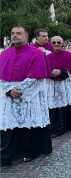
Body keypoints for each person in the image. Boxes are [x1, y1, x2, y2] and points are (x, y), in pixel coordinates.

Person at [0, 26, 52, 167]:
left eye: (18, 33)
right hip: (9, 96)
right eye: (12, 33)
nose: (15, 35)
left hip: (30, 95)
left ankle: (27, 152)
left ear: (27, 37)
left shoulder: (37, 53)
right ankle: (7, 156)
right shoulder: (3, 54)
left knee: (28, 123)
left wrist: (20, 91)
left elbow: (38, 78)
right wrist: (9, 91)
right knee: (9, 125)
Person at [47, 36, 71, 138]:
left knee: (69, 103)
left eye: (58, 42)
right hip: (53, 86)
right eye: (54, 42)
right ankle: (58, 129)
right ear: (51, 44)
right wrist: (51, 73)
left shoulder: (69, 56)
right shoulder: (47, 57)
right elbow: (44, 70)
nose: (56, 44)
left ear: (63, 43)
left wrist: (61, 71)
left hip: (66, 84)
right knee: (55, 106)